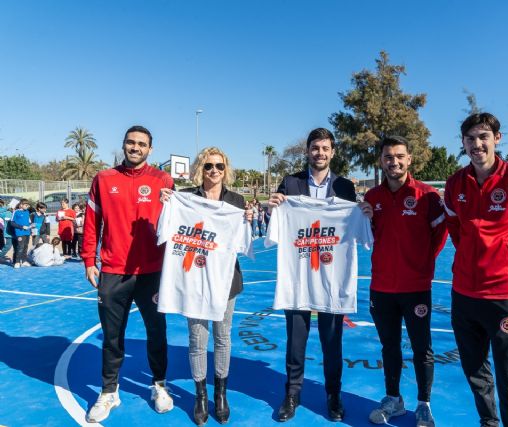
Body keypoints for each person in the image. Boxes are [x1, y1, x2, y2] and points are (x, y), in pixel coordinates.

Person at [444, 113, 508, 427]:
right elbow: (456, 231)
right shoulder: (455, 183)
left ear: (497, 139)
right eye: (471, 139)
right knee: (474, 370)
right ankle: (488, 422)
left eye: (483, 137)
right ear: (463, 143)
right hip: (463, 295)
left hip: (503, 296)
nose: (477, 144)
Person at [82, 125, 175, 423]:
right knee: (112, 336)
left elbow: (176, 224)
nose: (135, 148)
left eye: (142, 144)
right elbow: (91, 222)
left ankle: (159, 385)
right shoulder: (104, 179)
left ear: (150, 149)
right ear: (124, 145)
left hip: (152, 272)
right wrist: (88, 260)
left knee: (157, 332)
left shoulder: (162, 179)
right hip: (113, 272)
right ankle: (109, 391)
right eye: (131, 142)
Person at [268, 128, 357, 422]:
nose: (320, 153)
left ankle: (333, 395)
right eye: (315, 148)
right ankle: (292, 394)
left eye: (325, 148)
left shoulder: (345, 187)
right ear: (307, 151)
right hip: (298, 274)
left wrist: (364, 211)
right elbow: (278, 224)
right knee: (296, 340)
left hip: (332, 275)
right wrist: (274, 208)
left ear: (332, 152)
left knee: (332, 341)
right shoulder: (290, 183)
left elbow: (352, 225)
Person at [159, 147, 253, 425]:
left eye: (219, 167)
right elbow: (164, 231)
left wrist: (246, 222)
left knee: (223, 337)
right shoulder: (185, 198)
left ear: (226, 170)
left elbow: (242, 242)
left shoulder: (236, 201)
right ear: (201, 168)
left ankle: (220, 393)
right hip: (192, 281)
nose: (214, 171)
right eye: (209, 166)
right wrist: (167, 202)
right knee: (197, 340)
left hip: (225, 281)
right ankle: (200, 394)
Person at [361, 136, 447, 427]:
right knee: (389, 346)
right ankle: (393, 399)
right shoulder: (372, 198)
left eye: (399, 156)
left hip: (416, 287)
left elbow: (440, 235)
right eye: (388, 157)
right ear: (381, 161)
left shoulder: (428, 196)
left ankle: (424, 403)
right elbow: (367, 236)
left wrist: (421, 263)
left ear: (409, 159)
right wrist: (367, 219)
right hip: (381, 287)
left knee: (422, 347)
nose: (393, 162)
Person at [10, 199, 33, 268]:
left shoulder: (27, 212)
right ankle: (17, 262)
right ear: (21, 205)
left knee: (25, 247)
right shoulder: (16, 212)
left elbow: (29, 222)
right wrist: (22, 227)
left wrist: (31, 226)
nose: (27, 206)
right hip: (19, 233)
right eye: (26, 205)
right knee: (20, 247)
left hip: (27, 233)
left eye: (28, 205)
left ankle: (24, 261)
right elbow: (12, 223)